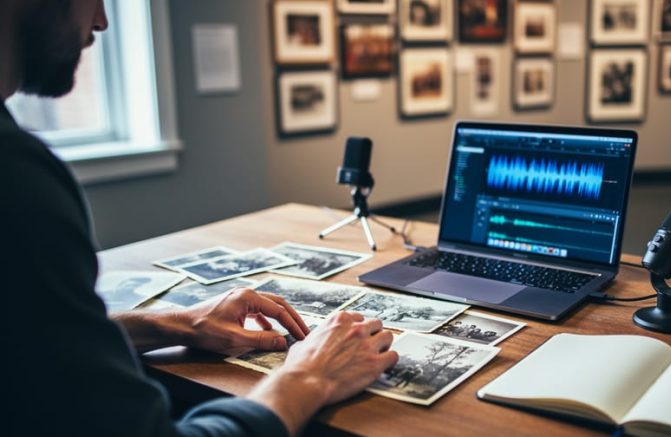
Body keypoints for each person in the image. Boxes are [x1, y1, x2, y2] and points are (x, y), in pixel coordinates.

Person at [0, 1, 398, 436]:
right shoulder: (16, 180)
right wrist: (309, 376)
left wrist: (176, 322)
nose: (102, 20)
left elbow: (32, 344)